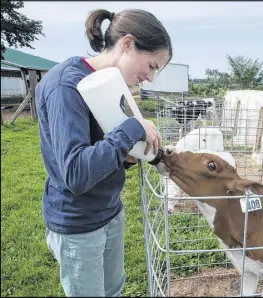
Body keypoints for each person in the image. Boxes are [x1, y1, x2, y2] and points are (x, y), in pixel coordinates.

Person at [35, 8, 172, 297]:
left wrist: (127, 154)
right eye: (152, 65)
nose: (150, 77)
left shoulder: (109, 83)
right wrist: (133, 129)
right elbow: (76, 173)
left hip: (109, 212)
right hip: (78, 223)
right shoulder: (66, 86)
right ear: (127, 44)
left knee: (113, 290)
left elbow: (103, 147)